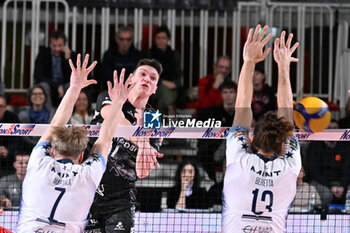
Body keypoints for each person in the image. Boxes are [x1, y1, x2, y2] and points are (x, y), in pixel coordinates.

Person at [16, 54, 132, 232]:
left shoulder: (39, 162)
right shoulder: (88, 173)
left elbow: (55, 125)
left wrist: (75, 86)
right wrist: (118, 103)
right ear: (81, 157)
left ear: (53, 152)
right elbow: (105, 139)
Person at [222, 25, 301, 232]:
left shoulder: (240, 159)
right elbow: (287, 117)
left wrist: (249, 62)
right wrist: (284, 67)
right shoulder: (290, 165)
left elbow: (242, 109)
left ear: (253, 139)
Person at [85, 59, 164, 233]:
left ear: (155, 88)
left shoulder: (153, 118)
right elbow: (113, 117)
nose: (147, 79)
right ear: (130, 80)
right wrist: (142, 141)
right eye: (142, 74)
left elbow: (143, 172)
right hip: (88, 191)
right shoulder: (111, 96)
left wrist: (145, 148)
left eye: (153, 78)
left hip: (121, 199)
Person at [196, 81, 237, 181]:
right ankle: (215, 181)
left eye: (231, 92)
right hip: (215, 151)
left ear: (236, 94)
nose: (228, 96)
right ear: (221, 94)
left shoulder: (241, 113)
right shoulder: (213, 112)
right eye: (225, 92)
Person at [305, 120, 350, 205]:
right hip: (321, 182)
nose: (332, 130)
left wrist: (343, 186)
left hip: (340, 182)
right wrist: (331, 186)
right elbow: (314, 171)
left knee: (347, 193)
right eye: (329, 128)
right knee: (326, 195)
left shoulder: (344, 146)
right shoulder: (315, 145)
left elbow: (347, 169)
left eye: (335, 128)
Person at [34, 30, 77, 107]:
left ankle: (68, 116)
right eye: (54, 46)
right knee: (43, 86)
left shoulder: (72, 55)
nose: (57, 49)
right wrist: (57, 86)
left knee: (71, 86)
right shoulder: (43, 54)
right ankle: (50, 116)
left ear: (64, 45)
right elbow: (38, 76)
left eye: (60, 46)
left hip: (64, 85)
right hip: (49, 84)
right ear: (50, 45)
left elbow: (72, 77)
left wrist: (67, 59)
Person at [146, 25, 182, 115]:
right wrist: (163, 82)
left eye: (163, 38)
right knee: (163, 88)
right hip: (153, 89)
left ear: (168, 39)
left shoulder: (174, 55)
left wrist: (174, 84)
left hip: (172, 89)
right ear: (154, 39)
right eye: (158, 38)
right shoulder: (149, 55)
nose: (160, 41)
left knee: (163, 98)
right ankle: (172, 111)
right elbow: (148, 76)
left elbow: (179, 74)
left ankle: (160, 123)